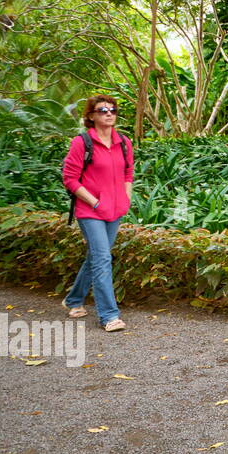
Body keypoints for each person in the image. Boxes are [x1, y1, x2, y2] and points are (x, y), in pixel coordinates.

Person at [61, 95, 134, 331]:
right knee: (103, 258)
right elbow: (70, 179)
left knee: (96, 256)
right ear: (91, 116)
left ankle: (73, 300)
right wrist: (94, 203)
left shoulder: (123, 142)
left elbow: (128, 173)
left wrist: (126, 198)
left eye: (112, 109)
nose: (108, 113)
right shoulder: (82, 142)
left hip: (115, 210)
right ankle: (109, 315)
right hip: (90, 210)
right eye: (102, 110)